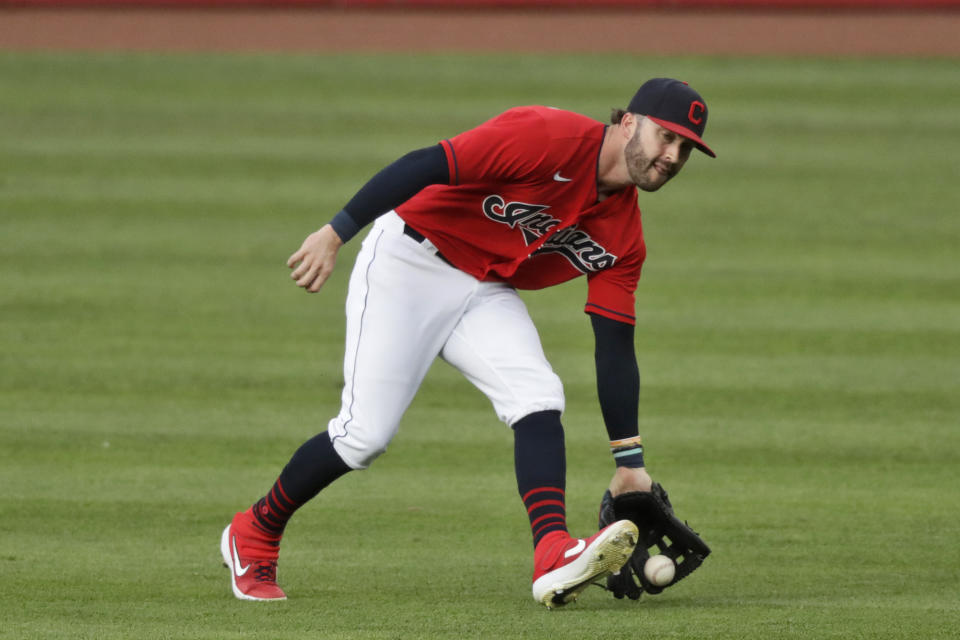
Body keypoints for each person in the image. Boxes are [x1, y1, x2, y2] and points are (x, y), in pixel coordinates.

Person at [220, 78, 715, 608]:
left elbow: (615, 345)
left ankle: (551, 552)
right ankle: (253, 530)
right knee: (363, 436)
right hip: (408, 261)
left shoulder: (624, 237)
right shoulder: (546, 136)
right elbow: (427, 163)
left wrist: (629, 462)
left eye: (686, 148)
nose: (673, 156)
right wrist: (336, 232)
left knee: (538, 396)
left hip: (482, 285)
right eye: (667, 137)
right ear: (628, 123)